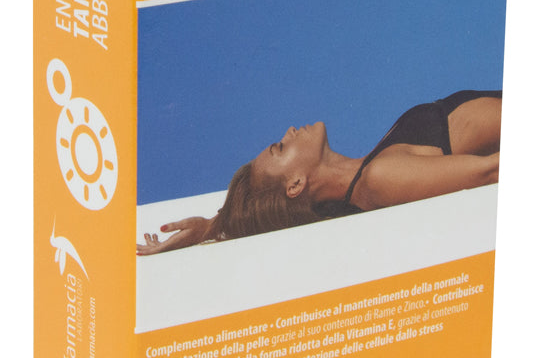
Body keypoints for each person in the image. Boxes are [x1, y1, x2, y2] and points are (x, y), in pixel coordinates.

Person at [137, 90, 502, 255]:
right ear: (296, 184)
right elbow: (491, 172)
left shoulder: (357, 186)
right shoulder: (379, 179)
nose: (287, 133)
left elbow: (259, 212)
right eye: (280, 148)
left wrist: (211, 226)